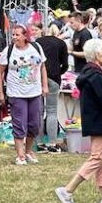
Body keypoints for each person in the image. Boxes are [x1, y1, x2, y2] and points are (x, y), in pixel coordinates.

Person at [54, 39, 102, 203]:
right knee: (97, 158)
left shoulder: (91, 73)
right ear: (97, 55)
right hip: (98, 121)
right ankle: (68, 190)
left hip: (96, 120)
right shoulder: (96, 76)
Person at [0, 24, 48, 166]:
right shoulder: (9, 51)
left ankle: (28, 150)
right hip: (16, 93)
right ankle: (20, 155)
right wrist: (0, 92)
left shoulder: (36, 48)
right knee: (19, 123)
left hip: (35, 92)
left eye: (17, 35)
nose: (14, 37)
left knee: (34, 124)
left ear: (25, 36)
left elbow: (42, 67)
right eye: (13, 35)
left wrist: (45, 85)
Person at [34, 22, 69, 150]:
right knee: (52, 111)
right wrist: (59, 72)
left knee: (39, 111)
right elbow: (65, 64)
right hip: (54, 78)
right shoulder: (61, 44)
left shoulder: (38, 42)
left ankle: (38, 142)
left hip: (38, 78)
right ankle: (52, 143)